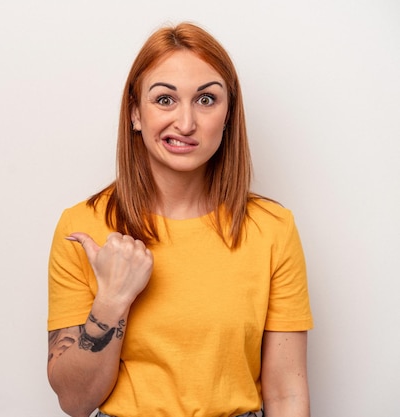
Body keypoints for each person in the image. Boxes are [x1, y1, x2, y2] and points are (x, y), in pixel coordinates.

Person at [47, 22, 313, 417]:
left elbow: (287, 391)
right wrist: (113, 300)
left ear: (227, 115)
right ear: (135, 113)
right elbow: (75, 401)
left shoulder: (272, 228)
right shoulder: (82, 226)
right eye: (165, 100)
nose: (186, 123)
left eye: (206, 100)